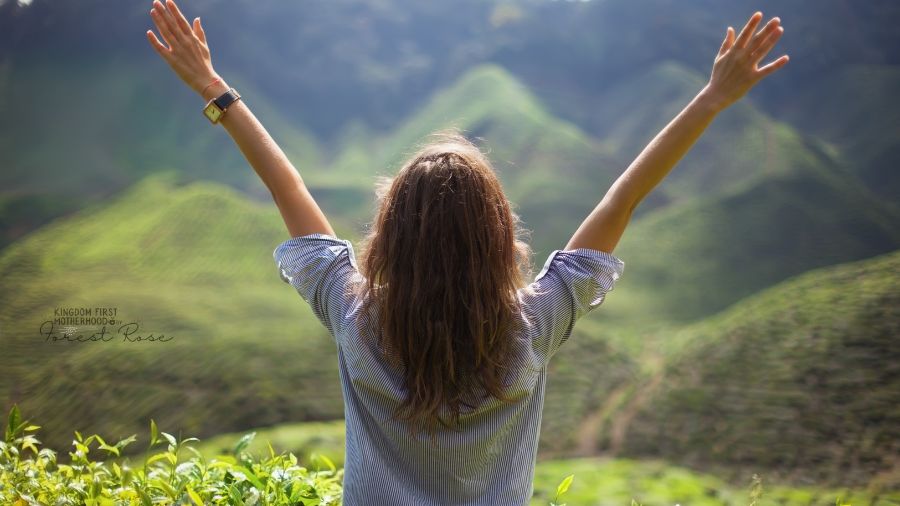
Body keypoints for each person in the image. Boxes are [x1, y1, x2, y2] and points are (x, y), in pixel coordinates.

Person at [147, 2, 788, 503]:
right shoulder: (536, 322)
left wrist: (215, 89)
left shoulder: (353, 312)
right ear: (499, 236)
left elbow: (287, 187)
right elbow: (624, 198)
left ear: (392, 234)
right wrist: (712, 99)